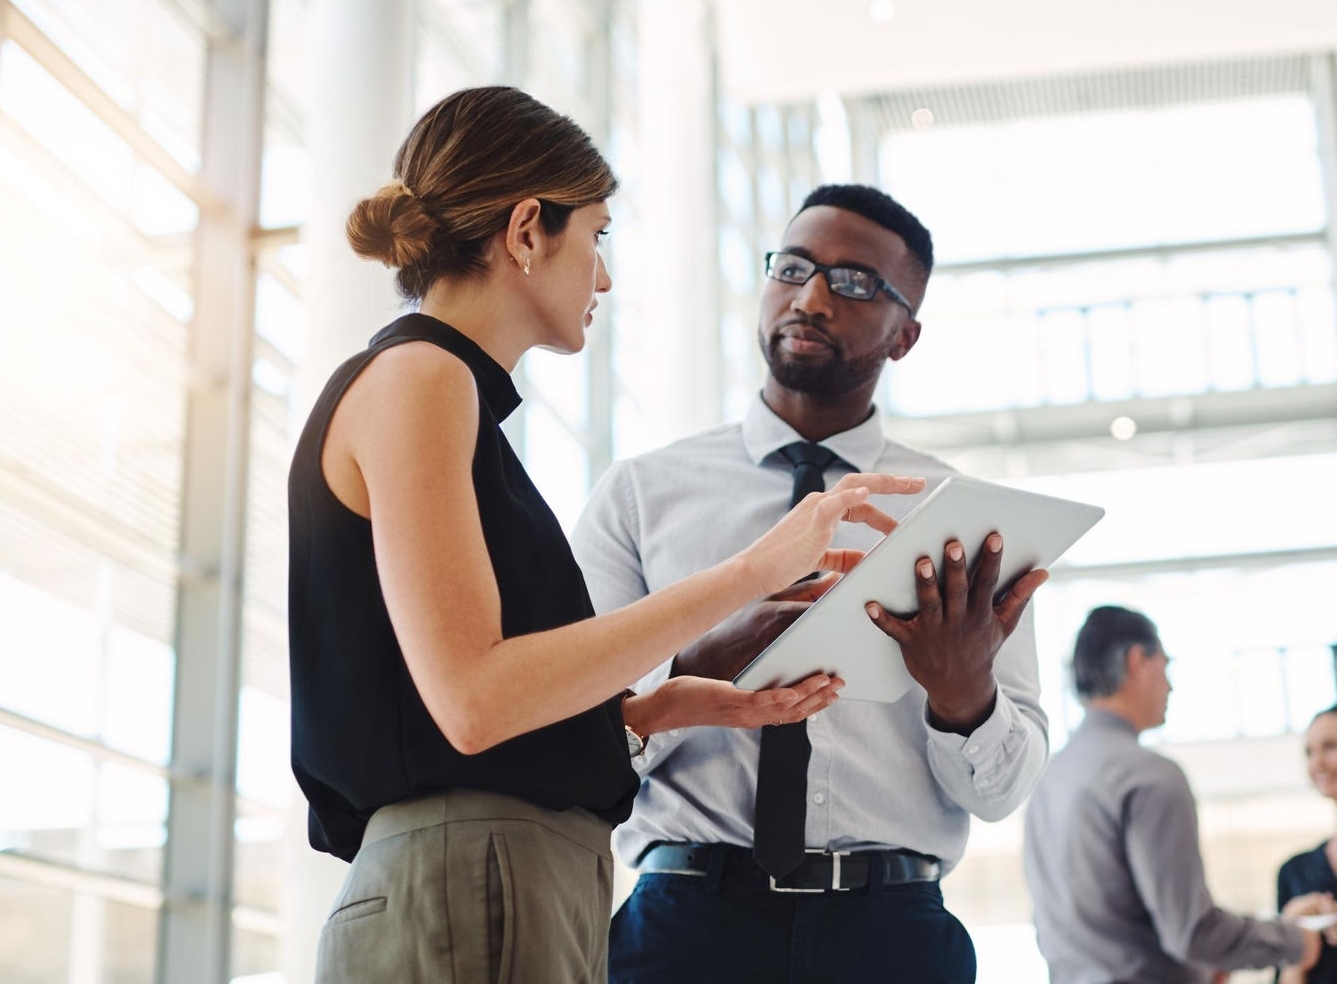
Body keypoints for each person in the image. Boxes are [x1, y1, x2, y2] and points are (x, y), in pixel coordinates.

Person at [287, 89, 921, 984]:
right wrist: (755, 570)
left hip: (495, 880)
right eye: (597, 235)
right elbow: (473, 700)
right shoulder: (422, 378)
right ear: (524, 232)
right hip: (476, 881)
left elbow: (456, 705)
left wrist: (650, 711)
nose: (604, 276)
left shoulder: (438, 393)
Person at [571, 183, 1050, 983]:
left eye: (856, 282)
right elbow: (570, 742)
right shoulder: (641, 494)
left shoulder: (958, 519)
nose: (812, 296)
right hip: (686, 925)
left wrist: (963, 698)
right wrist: (696, 669)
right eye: (792, 267)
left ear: (905, 336)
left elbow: (1003, 792)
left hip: (892, 936)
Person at [1023, 605, 1320, 984]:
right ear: (1137, 662)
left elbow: (1091, 923)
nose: (1171, 685)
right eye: (1166, 666)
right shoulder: (1149, 776)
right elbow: (1191, 934)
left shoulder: (1049, 776)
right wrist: (1295, 941)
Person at [1275, 705, 1337, 983]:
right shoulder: (1294, 873)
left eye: (1331, 747)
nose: (1316, 764)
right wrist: (1294, 947)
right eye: (1309, 752)